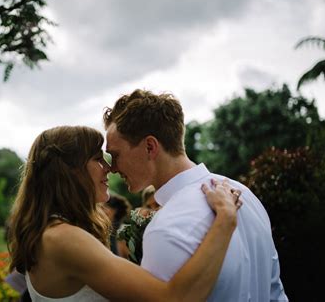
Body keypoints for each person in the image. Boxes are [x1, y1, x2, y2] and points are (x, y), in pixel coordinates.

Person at [7, 125, 242, 301]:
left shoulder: (54, 232)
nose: (109, 168)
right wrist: (225, 219)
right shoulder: (63, 238)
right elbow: (174, 299)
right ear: (71, 171)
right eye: (98, 159)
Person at [103, 89, 289, 301]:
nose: (112, 168)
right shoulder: (246, 195)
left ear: (149, 146)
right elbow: (276, 293)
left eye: (115, 155)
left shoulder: (166, 227)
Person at [102, 193, 131, 257]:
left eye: (105, 206)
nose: (102, 210)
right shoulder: (98, 229)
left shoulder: (124, 232)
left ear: (115, 210)